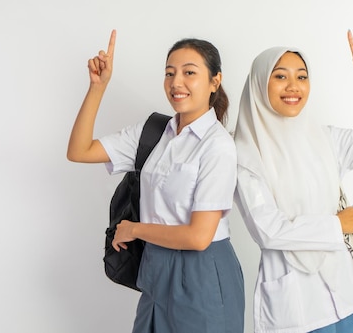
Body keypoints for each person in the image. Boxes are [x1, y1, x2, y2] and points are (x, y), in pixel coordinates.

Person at [233, 30, 353, 333]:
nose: (293, 86)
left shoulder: (326, 139)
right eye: (280, 77)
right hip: (298, 310)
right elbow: (268, 231)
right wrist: (337, 226)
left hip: (346, 297)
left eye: (302, 77)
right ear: (259, 84)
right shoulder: (244, 156)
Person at [67, 30, 245, 333]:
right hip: (155, 268)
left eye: (189, 72)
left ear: (215, 81)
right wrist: (98, 88)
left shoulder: (217, 145)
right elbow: (79, 151)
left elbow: (199, 237)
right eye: (169, 73)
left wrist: (133, 229)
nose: (176, 82)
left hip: (202, 271)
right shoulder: (153, 132)